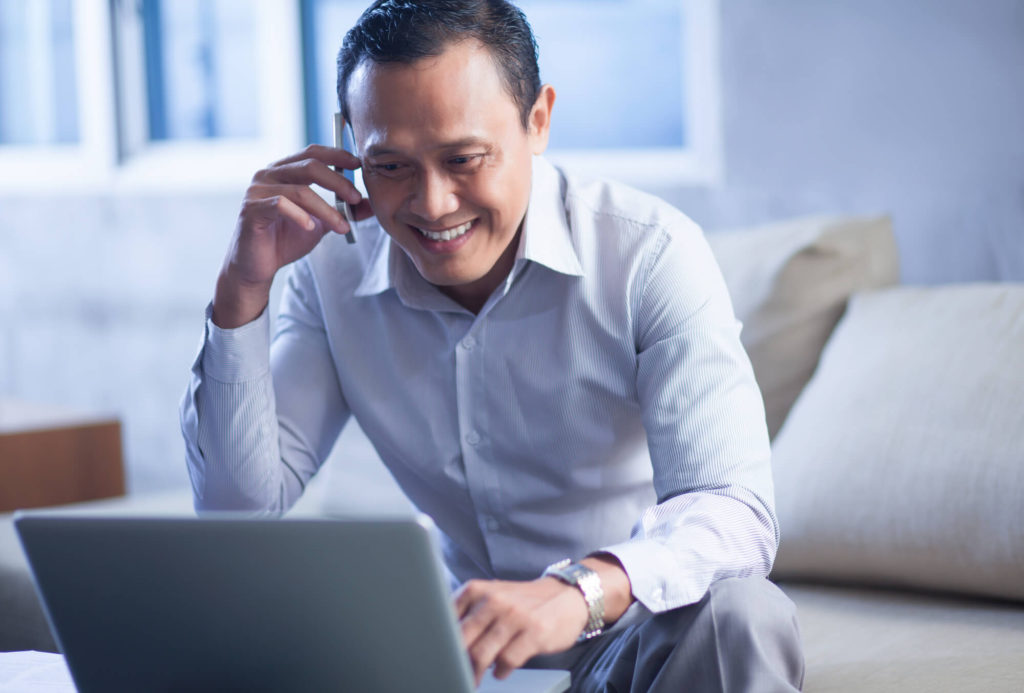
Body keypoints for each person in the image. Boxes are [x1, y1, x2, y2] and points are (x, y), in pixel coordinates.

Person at [180, 1, 804, 690]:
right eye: (389, 166)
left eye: (464, 158)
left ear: (537, 121)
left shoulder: (649, 254)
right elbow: (237, 516)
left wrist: (576, 592)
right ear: (348, 142)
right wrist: (243, 285)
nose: (433, 204)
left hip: (628, 645)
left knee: (743, 613)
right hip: (458, 662)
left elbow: (734, 516)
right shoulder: (330, 270)